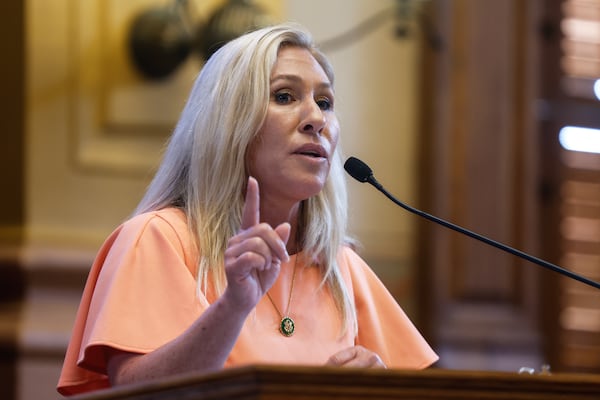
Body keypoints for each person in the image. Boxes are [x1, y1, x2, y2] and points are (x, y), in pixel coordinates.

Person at [57, 22, 438, 396]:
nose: (317, 119)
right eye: (285, 96)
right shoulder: (159, 238)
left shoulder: (339, 267)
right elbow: (139, 392)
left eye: (325, 102)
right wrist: (233, 308)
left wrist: (386, 387)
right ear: (228, 122)